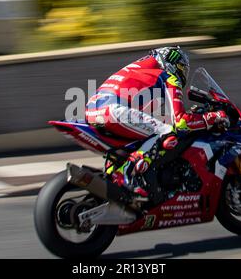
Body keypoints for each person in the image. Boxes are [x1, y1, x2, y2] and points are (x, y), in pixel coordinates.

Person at [85, 46, 229, 196]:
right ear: (170, 63)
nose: (182, 73)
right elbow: (181, 122)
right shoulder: (168, 76)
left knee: (141, 138)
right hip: (114, 111)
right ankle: (126, 176)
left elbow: (146, 112)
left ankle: (111, 176)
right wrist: (213, 117)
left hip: (92, 110)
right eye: (181, 67)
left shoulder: (138, 70)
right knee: (166, 132)